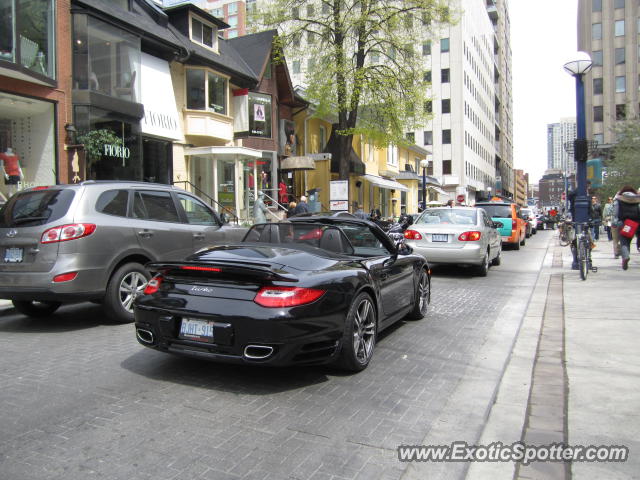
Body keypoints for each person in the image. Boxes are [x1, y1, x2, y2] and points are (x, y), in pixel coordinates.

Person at [612, 185, 640, 270]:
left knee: (624, 241)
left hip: (623, 223)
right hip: (634, 224)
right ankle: (626, 255)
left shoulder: (619, 199)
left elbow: (615, 213)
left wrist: (614, 222)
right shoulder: (637, 199)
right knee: (629, 240)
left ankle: (625, 256)